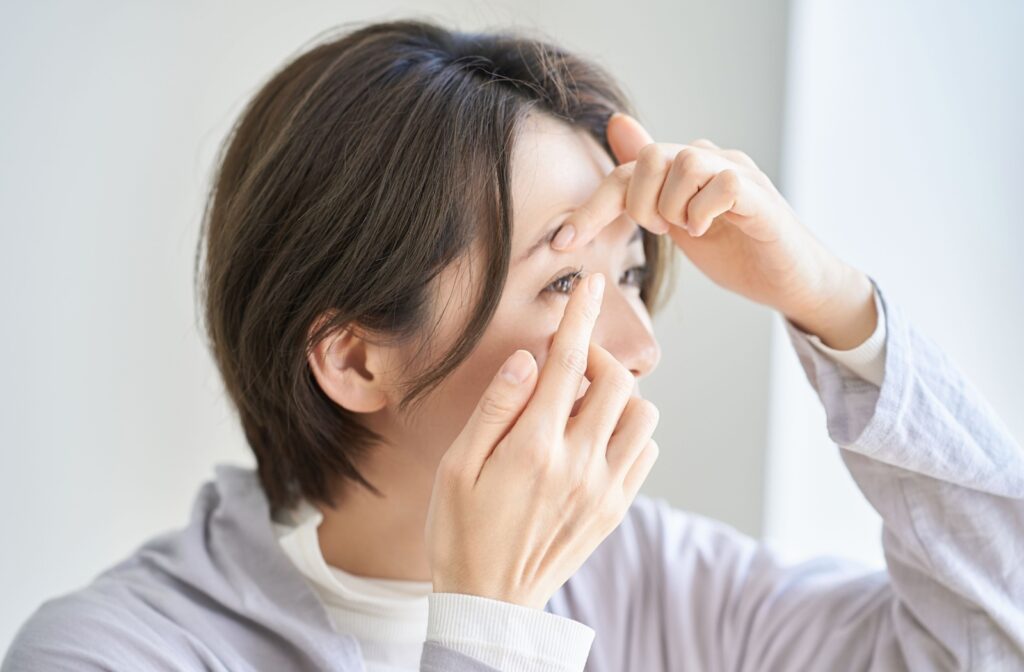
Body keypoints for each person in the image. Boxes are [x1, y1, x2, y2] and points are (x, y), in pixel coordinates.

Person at [3, 17, 1022, 672]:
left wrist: (836, 306)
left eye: (629, 274)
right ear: (355, 359)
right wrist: (492, 629)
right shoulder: (113, 654)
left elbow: (991, 639)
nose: (635, 347)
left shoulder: (644, 579)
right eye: (565, 281)